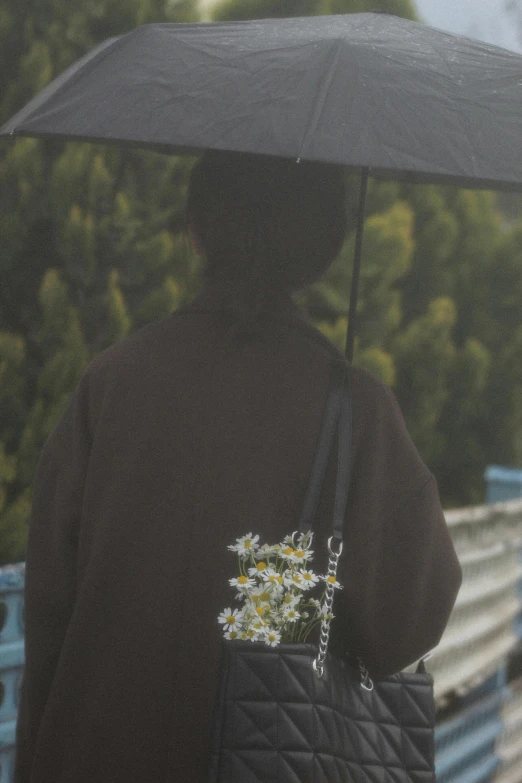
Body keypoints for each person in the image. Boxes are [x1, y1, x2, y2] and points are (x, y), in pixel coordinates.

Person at [14, 151, 462, 783]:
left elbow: (48, 612)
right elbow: (408, 622)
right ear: (324, 251)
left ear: (196, 230)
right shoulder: (355, 410)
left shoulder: (111, 384)